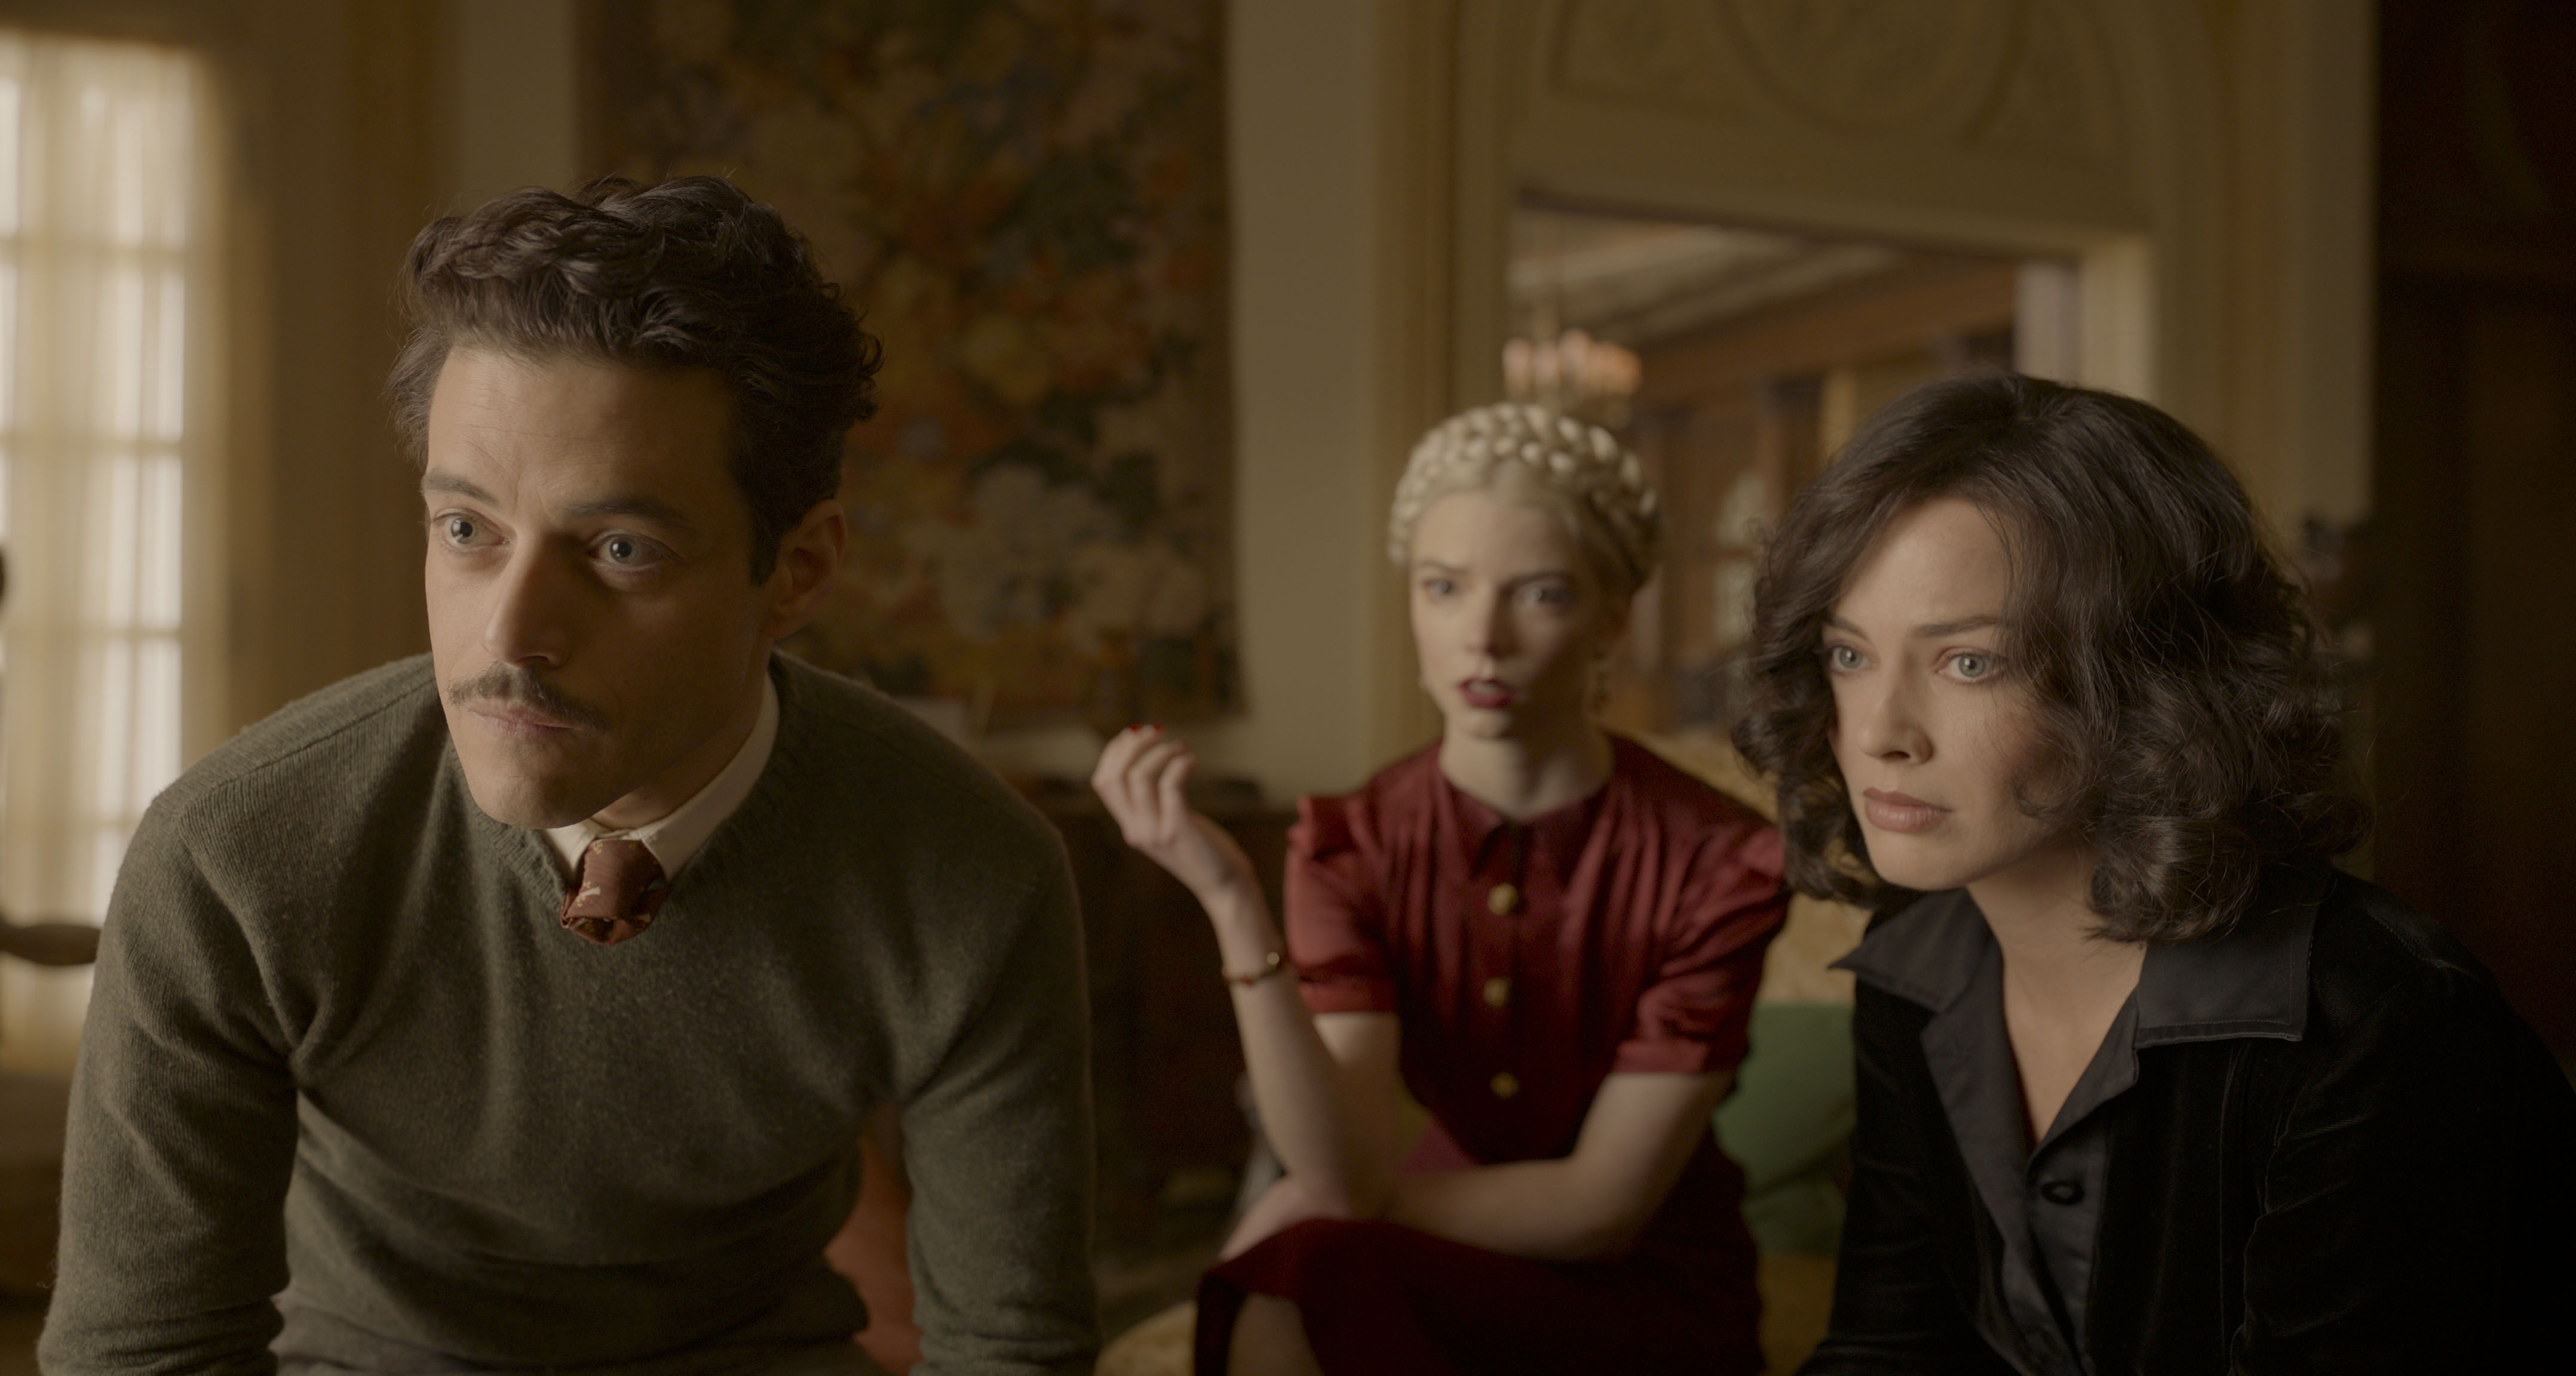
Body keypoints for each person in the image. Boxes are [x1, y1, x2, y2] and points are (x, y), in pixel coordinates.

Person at [41, 177, 1099, 1376]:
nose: (509, 634)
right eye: (466, 530)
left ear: (797, 572)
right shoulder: (233, 854)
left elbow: (1011, 1352)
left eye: (620, 549)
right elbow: (145, 1355)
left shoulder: (972, 873)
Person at [1732, 371, 2576, 1374]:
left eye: (1970, 663)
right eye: (1848, 655)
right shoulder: (1913, 969)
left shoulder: (2384, 1021)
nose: (1879, 734)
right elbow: (1892, 1346)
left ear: (2146, 683)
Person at [1092, 404, 1787, 1376]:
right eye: (1445, 588)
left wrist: (1340, 1202)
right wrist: (1231, 901)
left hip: (1647, 1285)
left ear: (1611, 619)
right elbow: (1343, 1164)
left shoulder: (1719, 859)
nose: (1482, 638)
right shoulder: (1354, 841)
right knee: (1289, 1285)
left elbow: (1603, 1208)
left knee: (1300, 1255)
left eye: (1541, 594)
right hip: (1446, 1249)